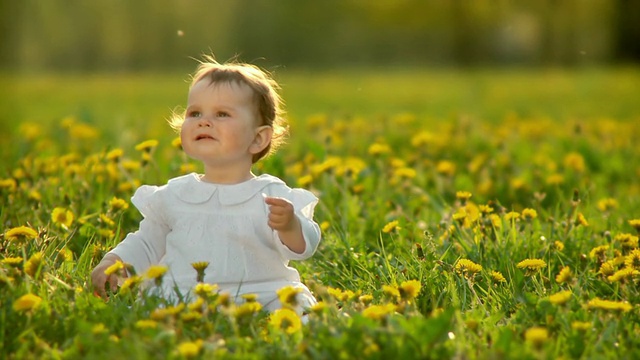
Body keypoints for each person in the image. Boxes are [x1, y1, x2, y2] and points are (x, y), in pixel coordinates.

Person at [91, 56, 321, 314]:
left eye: (222, 114)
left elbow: (305, 247)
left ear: (258, 139)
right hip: (185, 295)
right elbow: (147, 243)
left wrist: (290, 226)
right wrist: (114, 261)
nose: (204, 121)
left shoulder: (270, 195)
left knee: (296, 305)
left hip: (263, 293)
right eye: (195, 113)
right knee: (151, 309)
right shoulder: (175, 196)